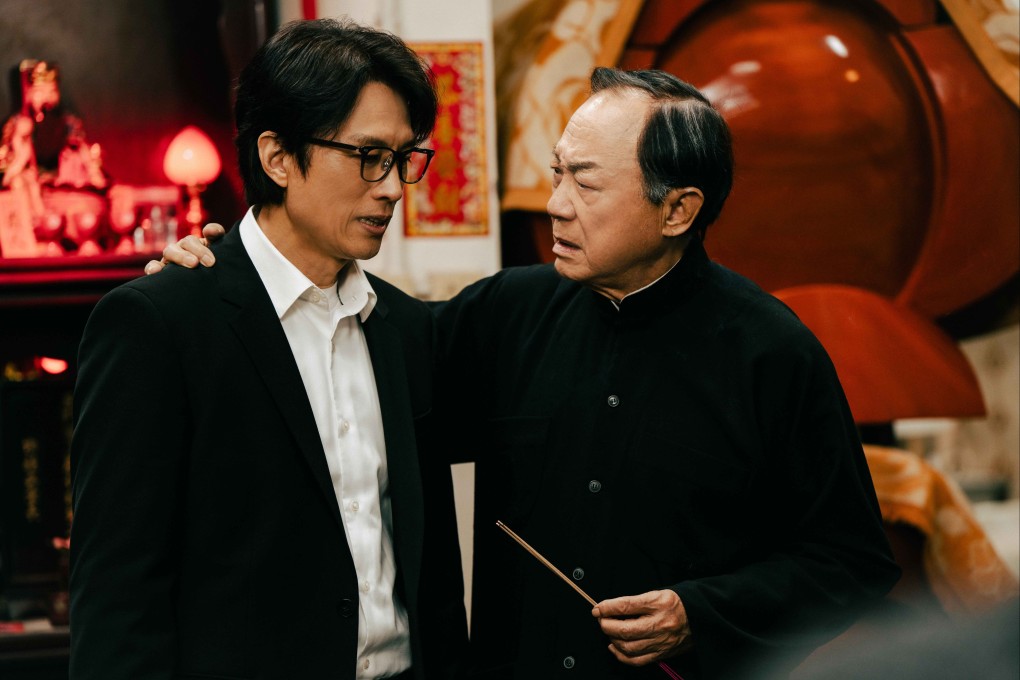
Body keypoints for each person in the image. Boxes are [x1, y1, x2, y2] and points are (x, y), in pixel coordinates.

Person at [155, 67, 900, 679]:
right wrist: (228, 276)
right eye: (555, 175)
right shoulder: (505, 313)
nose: (554, 206)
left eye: (585, 185)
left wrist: (696, 613)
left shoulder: (771, 352)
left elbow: (853, 563)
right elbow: (339, 360)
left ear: (678, 210)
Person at [71, 19, 466, 680]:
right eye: (368, 156)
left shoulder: (403, 326)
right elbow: (117, 593)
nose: (394, 186)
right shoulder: (162, 323)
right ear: (278, 156)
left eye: (404, 159)